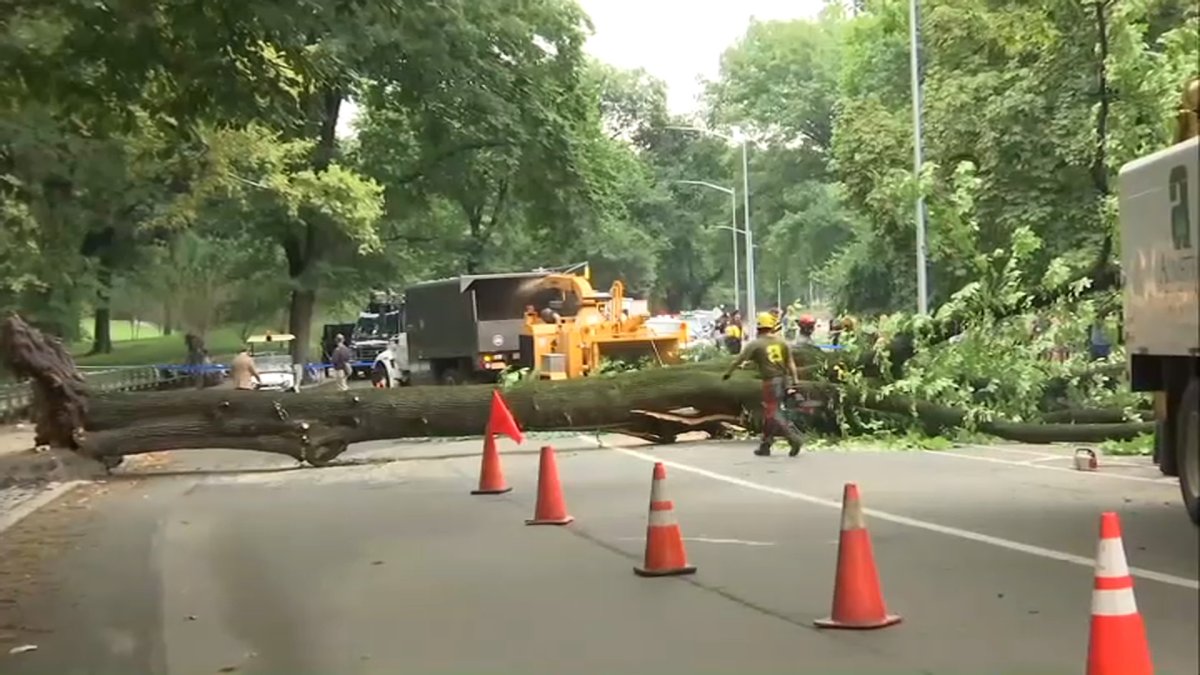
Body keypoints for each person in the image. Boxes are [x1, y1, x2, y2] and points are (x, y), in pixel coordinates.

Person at [722, 312, 804, 457]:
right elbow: (790, 362)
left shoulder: (756, 344)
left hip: (771, 382)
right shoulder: (781, 342)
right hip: (784, 380)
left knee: (773, 412)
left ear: (759, 328)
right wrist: (795, 381)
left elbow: (738, 360)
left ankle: (793, 438)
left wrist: (728, 373)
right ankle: (765, 445)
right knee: (770, 413)